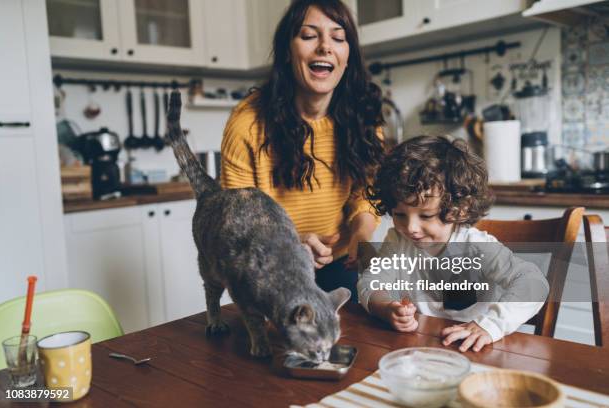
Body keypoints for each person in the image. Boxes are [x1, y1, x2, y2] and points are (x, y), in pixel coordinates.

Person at [221, 0, 384, 301]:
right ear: (287, 51)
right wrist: (290, 245)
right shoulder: (247, 123)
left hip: (341, 264)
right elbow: (238, 222)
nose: (325, 47)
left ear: (348, 57)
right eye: (309, 36)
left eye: (338, 37)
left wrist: (361, 236)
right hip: (270, 266)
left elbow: (367, 191)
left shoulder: (363, 116)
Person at [358, 136, 549, 352]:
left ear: (460, 209)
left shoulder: (475, 247)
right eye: (400, 215)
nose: (410, 227)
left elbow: (534, 283)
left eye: (426, 216)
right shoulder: (397, 241)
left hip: (473, 349)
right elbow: (372, 281)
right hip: (420, 348)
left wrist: (488, 325)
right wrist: (385, 308)